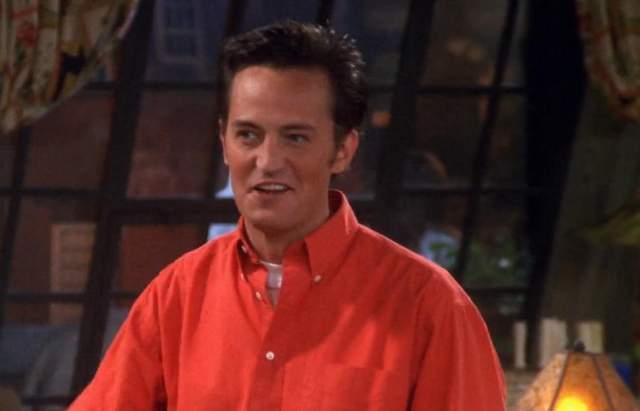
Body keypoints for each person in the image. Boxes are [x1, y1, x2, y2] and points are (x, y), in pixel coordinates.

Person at [69, 20, 506, 410]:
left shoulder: (429, 305)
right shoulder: (178, 296)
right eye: (248, 135)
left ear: (343, 150)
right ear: (224, 143)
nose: (267, 161)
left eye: (295, 138)